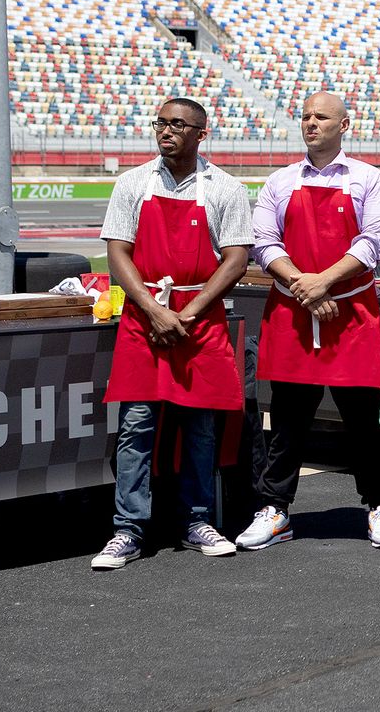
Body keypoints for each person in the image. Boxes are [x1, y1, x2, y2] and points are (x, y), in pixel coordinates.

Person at [91, 98, 253, 570]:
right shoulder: (132, 184)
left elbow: (236, 258)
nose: (167, 131)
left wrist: (189, 312)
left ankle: (197, 520)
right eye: (161, 122)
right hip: (146, 319)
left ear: (201, 134)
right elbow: (118, 254)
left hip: (198, 322)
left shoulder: (225, 188)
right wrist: (153, 310)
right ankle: (128, 529)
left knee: (199, 429)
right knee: (136, 427)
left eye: (178, 124)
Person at [241, 92, 380, 550]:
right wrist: (303, 287)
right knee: (288, 419)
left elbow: (374, 242)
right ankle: (275, 508)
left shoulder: (368, 180)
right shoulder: (279, 181)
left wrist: (323, 283)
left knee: (363, 421)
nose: (311, 124)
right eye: (306, 117)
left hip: (351, 314)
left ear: (344, 125)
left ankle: (378, 504)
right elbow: (264, 241)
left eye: (322, 117)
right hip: (294, 313)